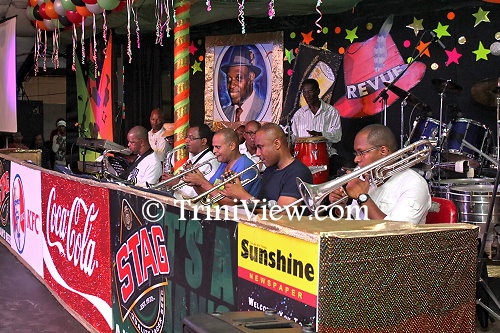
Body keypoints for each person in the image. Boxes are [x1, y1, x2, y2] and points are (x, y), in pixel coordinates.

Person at [328, 124, 431, 224]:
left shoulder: (414, 184)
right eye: (356, 154)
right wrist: (341, 207)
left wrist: (363, 197)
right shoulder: (368, 177)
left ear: (383, 151)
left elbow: (396, 232)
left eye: (361, 153)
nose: (356, 159)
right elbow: (356, 218)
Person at [221, 123, 312, 208]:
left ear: (277, 144)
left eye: (260, 147)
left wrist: (242, 195)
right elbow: (262, 204)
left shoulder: (298, 172)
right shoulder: (270, 170)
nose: (257, 153)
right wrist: (235, 188)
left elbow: (282, 213)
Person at [183, 128, 260, 205]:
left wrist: (202, 182)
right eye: (213, 147)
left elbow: (231, 202)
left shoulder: (246, 166)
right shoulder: (224, 164)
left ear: (232, 146)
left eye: (218, 147)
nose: (214, 151)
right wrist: (196, 183)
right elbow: (208, 195)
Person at [291, 79, 342, 175]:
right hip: (303, 156)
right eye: (304, 92)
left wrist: (321, 135)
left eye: (310, 91)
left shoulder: (331, 112)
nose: (307, 95)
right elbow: (294, 137)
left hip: (327, 154)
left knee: (336, 164)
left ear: (318, 91)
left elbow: (337, 136)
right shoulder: (299, 114)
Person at [161, 124, 220, 198]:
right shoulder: (192, 158)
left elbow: (199, 193)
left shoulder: (210, 162)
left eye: (191, 138)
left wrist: (177, 183)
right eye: (187, 137)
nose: (186, 141)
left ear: (203, 141)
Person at [221, 46, 265, 122]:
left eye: (238, 78)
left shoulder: (264, 110)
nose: (231, 85)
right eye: (229, 79)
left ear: (251, 76)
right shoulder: (224, 113)